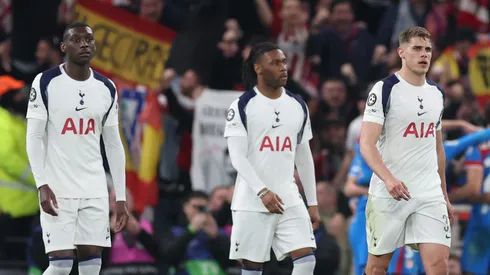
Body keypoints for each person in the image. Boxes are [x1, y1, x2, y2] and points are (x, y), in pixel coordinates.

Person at [25, 22, 128, 275]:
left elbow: (113, 143)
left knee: (92, 265)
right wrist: (42, 184)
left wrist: (121, 197)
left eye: (89, 40)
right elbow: (34, 136)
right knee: (60, 266)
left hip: (94, 188)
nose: (84, 44)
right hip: (58, 187)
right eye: (76, 40)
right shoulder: (46, 81)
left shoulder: (106, 87)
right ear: (63, 46)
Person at [359, 26, 452, 275]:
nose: (424, 54)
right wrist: (388, 179)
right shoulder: (385, 89)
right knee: (377, 268)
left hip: (428, 193)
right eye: (417, 49)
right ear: (402, 52)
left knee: (439, 264)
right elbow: (366, 144)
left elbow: (438, 148)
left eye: (428, 49)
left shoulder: (437, 94)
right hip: (389, 193)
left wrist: (444, 194)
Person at [224, 41, 319, 275]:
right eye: (275, 63)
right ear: (258, 68)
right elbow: (237, 156)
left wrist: (313, 202)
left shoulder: (298, 105)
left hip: (288, 198)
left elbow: (304, 156)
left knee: (307, 260)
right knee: (252, 269)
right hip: (251, 201)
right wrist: (262, 191)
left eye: (284, 62)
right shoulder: (243, 105)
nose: (283, 67)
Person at [346, 126, 490, 275]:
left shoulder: (431, 148)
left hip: (407, 210)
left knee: (409, 265)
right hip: (384, 211)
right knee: (374, 265)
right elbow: (348, 187)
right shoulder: (378, 149)